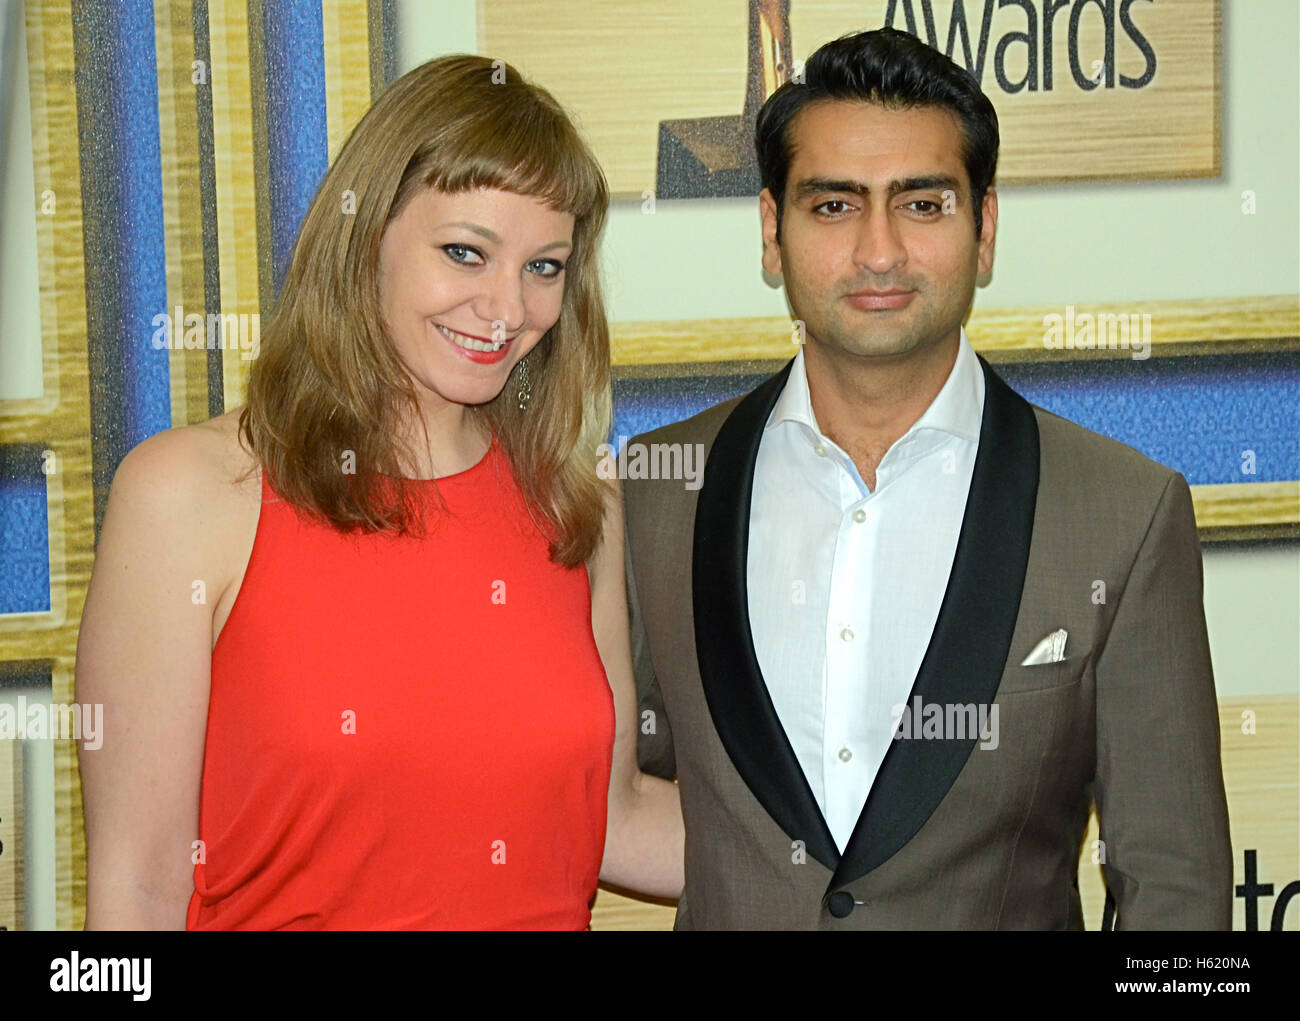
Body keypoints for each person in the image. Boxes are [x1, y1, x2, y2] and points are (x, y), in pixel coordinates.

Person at [625, 27, 1231, 929]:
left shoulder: (1122, 513)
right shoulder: (655, 494)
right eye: (833, 205)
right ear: (771, 230)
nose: (878, 251)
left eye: (922, 204)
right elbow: (601, 792)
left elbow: (1176, 894)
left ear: (984, 229)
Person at [76, 53, 683, 930]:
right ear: (364, 239)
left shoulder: (576, 506)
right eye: (465, 252)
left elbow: (615, 821)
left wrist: (885, 849)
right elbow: (137, 890)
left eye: (544, 267)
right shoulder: (188, 497)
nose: (506, 308)